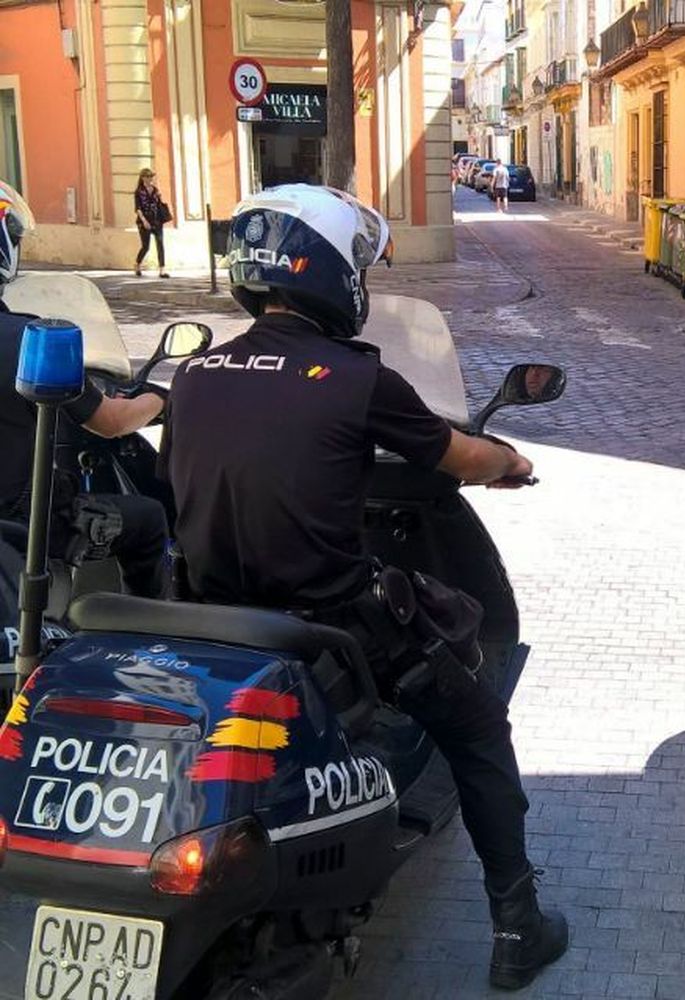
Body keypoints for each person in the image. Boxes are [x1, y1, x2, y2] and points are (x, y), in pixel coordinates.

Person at [159, 184, 567, 989]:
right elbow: (457, 455)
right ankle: (518, 926)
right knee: (478, 722)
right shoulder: (352, 376)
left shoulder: (196, 374)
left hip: (214, 623)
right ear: (329, 273)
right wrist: (511, 463)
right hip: (329, 625)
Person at [0, 181, 169, 598]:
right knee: (148, 519)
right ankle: (152, 632)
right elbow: (111, 423)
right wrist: (162, 399)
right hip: (24, 526)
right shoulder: (29, 340)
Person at [134, 168, 170, 278]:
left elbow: (158, 204)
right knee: (146, 246)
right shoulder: (139, 192)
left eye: (151, 177)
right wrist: (144, 221)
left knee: (160, 244)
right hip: (144, 221)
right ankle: (137, 264)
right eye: (148, 177)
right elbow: (138, 208)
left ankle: (162, 270)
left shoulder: (155, 190)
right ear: (143, 178)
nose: (150, 179)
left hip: (156, 220)